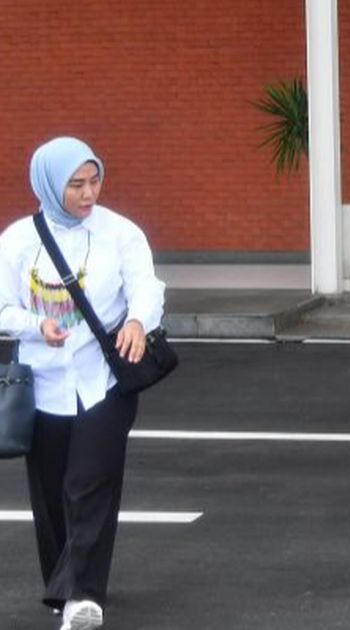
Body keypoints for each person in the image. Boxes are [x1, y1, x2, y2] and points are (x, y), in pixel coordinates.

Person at [0, 137, 166, 630]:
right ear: (50, 184)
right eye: (76, 184)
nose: (88, 193)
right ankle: (64, 587)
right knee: (51, 493)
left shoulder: (120, 233)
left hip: (105, 381)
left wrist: (137, 321)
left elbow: (146, 285)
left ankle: (83, 595)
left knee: (88, 483)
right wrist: (35, 327)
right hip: (43, 386)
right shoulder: (17, 241)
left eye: (94, 181)